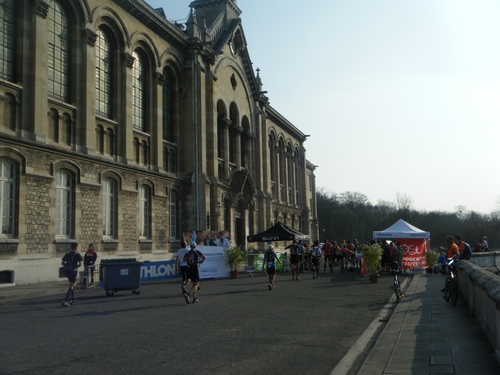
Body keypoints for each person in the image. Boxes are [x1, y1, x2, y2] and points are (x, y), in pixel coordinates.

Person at [60, 242, 83, 307]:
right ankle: (65, 300)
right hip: (73, 271)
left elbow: (62, 263)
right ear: (76, 247)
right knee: (72, 285)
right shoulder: (77, 255)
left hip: (67, 271)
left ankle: (72, 299)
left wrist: (67, 266)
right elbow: (80, 264)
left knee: (73, 283)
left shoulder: (67, 254)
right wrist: (75, 266)